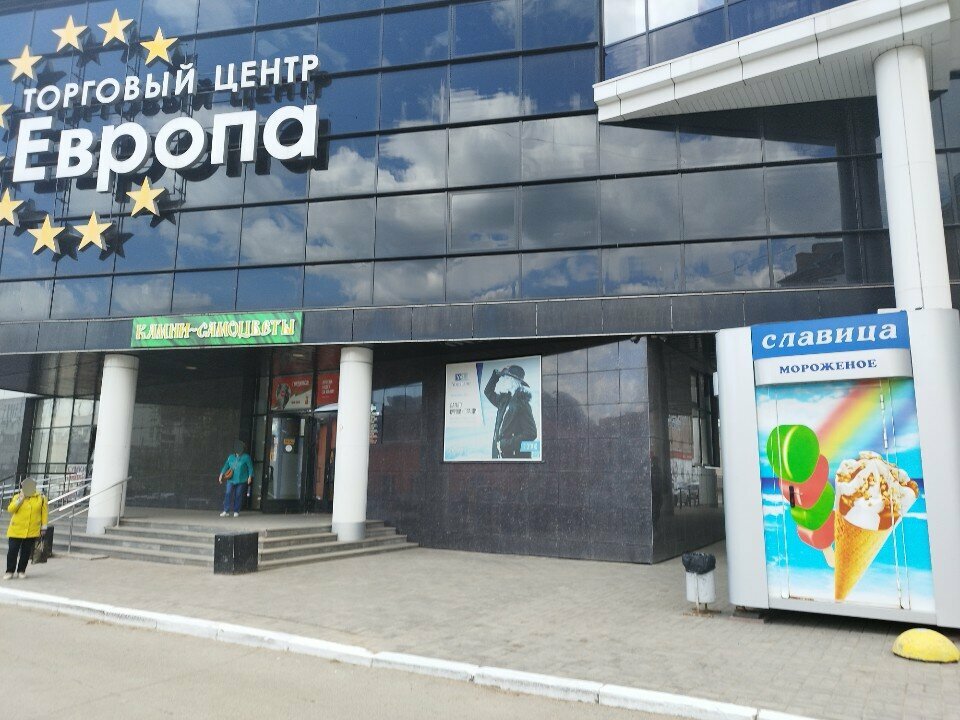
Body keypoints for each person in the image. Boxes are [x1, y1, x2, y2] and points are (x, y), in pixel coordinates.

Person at [483, 365, 538, 459]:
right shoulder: (504, 400)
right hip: (500, 455)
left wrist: (506, 444)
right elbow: (488, 392)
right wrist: (496, 375)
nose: (504, 380)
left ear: (514, 381)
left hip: (514, 456)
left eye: (507, 378)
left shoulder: (523, 405)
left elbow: (531, 433)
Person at [5, 478, 48, 580]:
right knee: (12, 551)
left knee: (26, 552)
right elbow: (10, 509)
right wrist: (21, 499)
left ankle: (21, 571)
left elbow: (44, 514)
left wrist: (43, 527)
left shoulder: (41, 498)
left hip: (32, 530)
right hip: (16, 529)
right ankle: (9, 571)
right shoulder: (17, 496)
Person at [218, 441, 254, 517]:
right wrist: (221, 474)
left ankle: (236, 511)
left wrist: (250, 477)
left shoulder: (246, 457)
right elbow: (226, 466)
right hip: (231, 479)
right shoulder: (231, 457)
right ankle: (226, 510)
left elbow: (250, 468)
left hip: (242, 479)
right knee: (228, 493)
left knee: (238, 495)